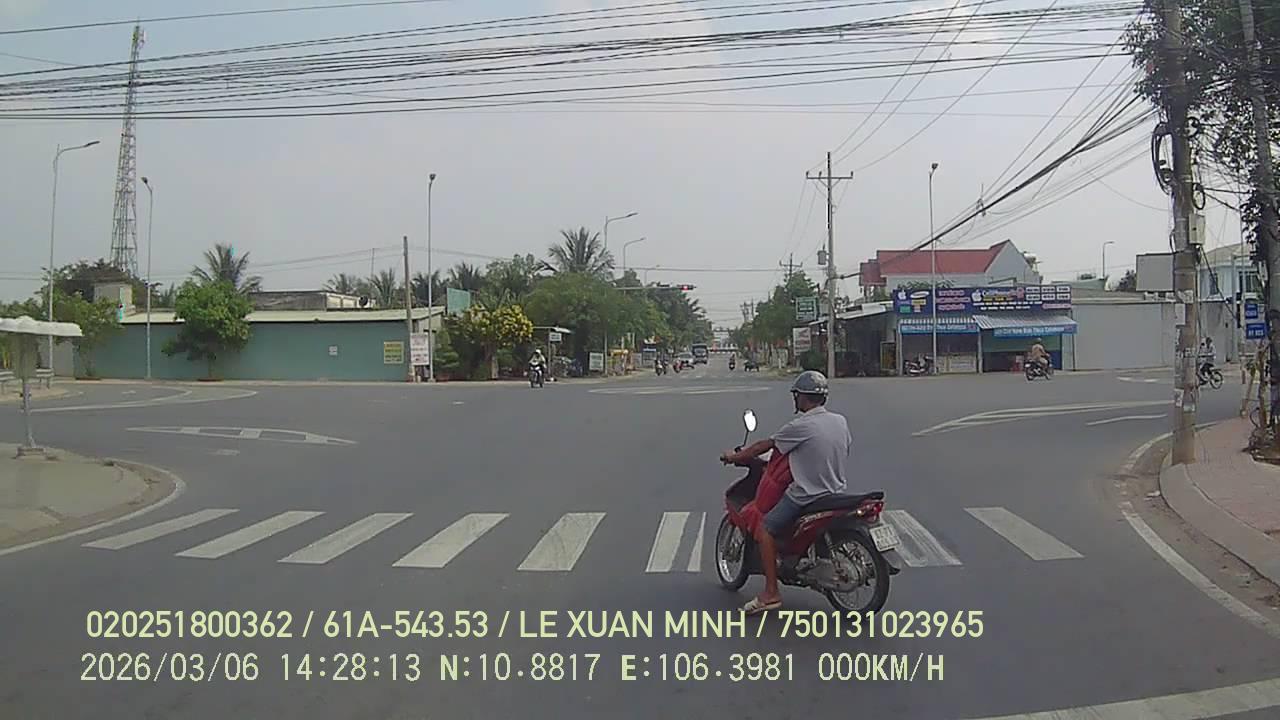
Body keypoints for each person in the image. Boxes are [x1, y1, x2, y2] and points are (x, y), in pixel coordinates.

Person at [719, 370, 851, 615]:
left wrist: (733, 456)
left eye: (796, 395)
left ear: (802, 397)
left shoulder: (800, 425)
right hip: (836, 491)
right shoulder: (839, 421)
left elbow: (763, 446)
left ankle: (770, 593)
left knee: (766, 529)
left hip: (807, 495)